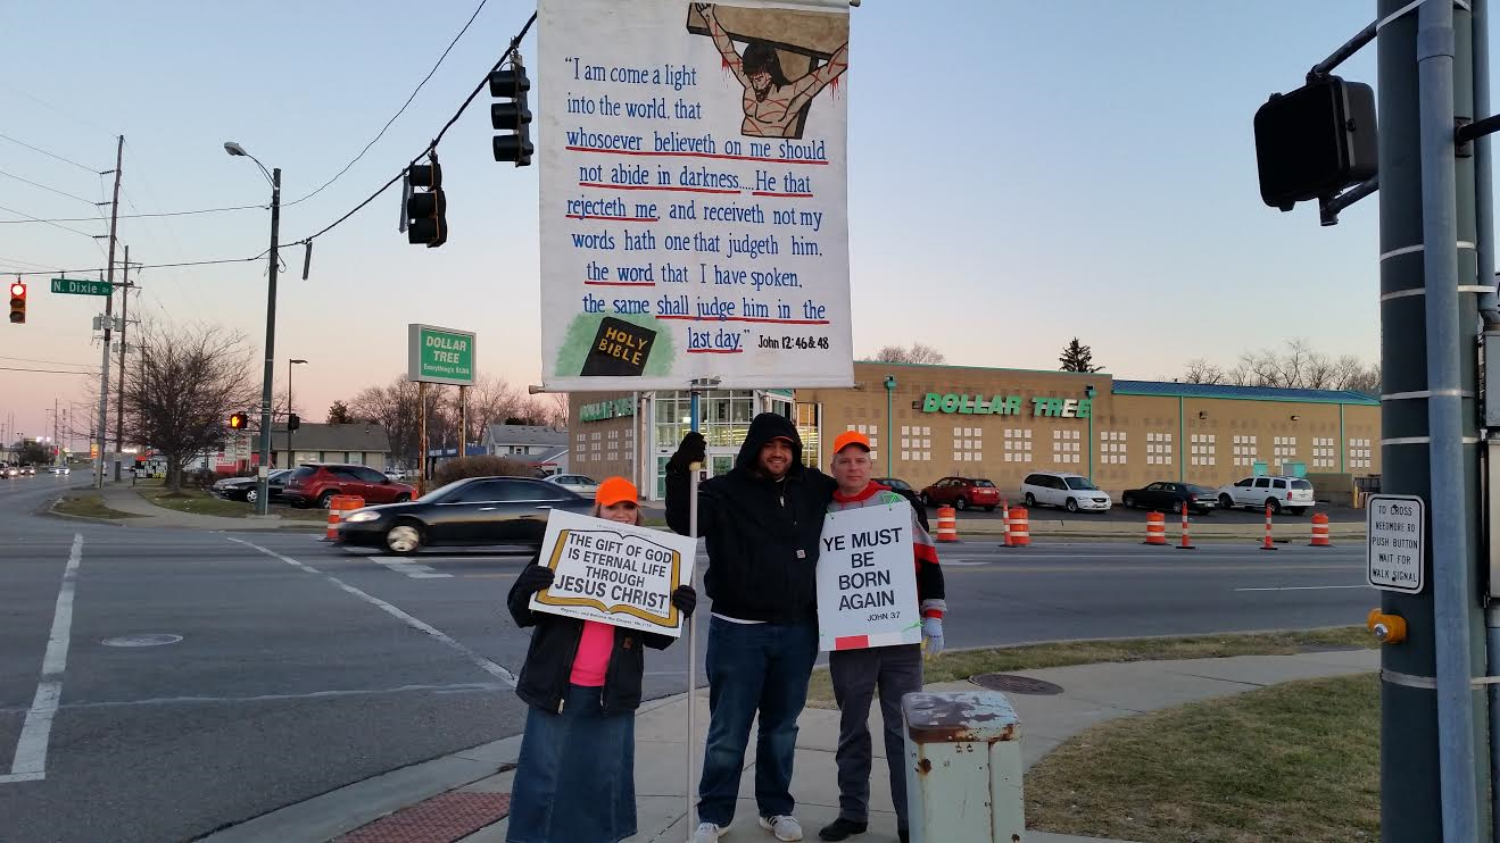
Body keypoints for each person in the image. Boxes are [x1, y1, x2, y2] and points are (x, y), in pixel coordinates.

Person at [666, 413, 837, 843]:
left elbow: (858, 496)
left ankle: (776, 808)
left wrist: (903, 510)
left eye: (787, 446)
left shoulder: (812, 487)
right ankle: (714, 813)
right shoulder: (723, 492)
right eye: (770, 445)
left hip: (797, 631)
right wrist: (678, 470)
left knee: (782, 729)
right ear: (754, 449)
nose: (779, 454)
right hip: (737, 631)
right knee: (728, 729)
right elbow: (685, 522)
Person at [506, 477, 698, 843]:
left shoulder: (652, 563)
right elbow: (520, 612)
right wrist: (530, 585)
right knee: (543, 777)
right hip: (556, 689)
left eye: (629, 508)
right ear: (599, 510)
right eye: (614, 507)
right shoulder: (562, 546)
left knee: (601, 779)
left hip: (611, 695)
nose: (622, 515)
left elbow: (657, 639)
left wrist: (677, 611)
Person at [817, 431, 946, 843]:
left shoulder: (895, 505)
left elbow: (928, 561)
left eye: (861, 460)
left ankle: (911, 820)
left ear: (870, 466)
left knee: (901, 731)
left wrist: (933, 614)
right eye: (844, 461)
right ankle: (852, 812)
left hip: (899, 638)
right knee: (852, 729)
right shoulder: (824, 511)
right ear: (833, 467)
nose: (853, 467)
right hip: (850, 640)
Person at [695, 2, 849, 138]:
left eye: (759, 78)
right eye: (752, 77)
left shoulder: (789, 93)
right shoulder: (749, 81)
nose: (755, 83)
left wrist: (849, 47)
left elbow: (827, 73)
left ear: (770, 72)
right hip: (741, 153)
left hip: (768, 160)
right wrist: (709, 17)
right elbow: (727, 51)